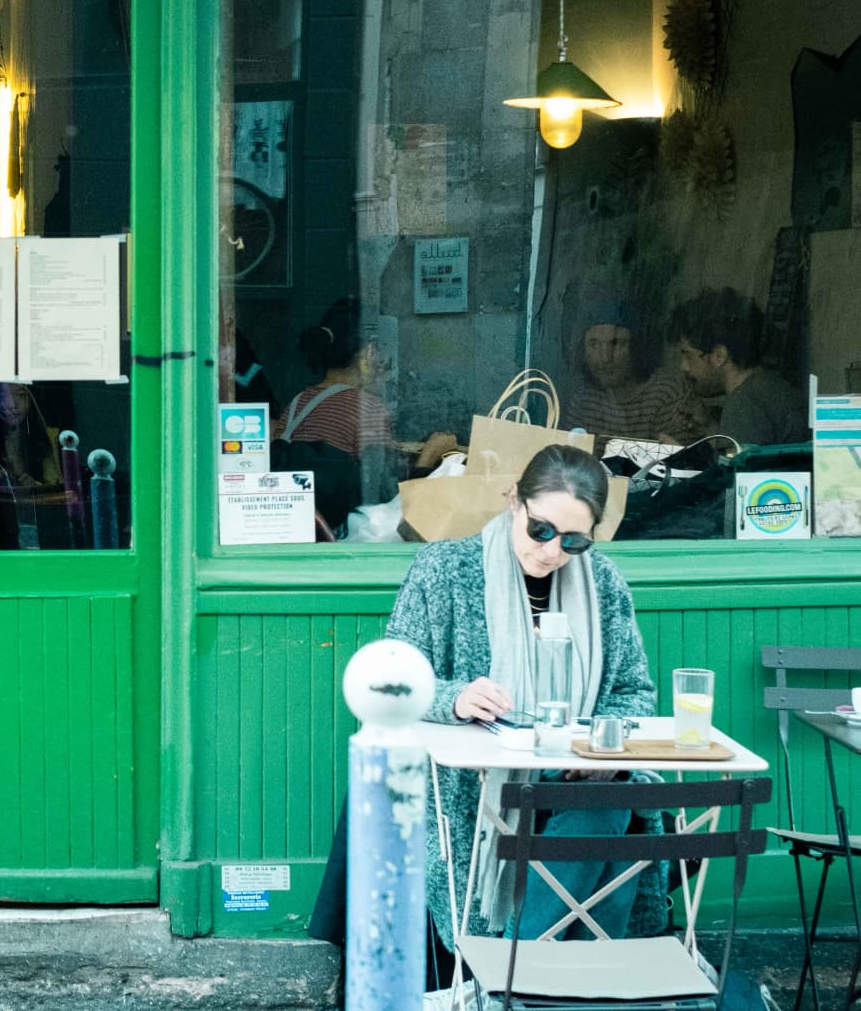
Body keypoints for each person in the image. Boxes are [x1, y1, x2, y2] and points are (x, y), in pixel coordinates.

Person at [385, 444, 664, 945]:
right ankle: (552, 977)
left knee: (611, 797)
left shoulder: (604, 582)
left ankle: (518, 968)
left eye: (574, 541)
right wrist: (455, 697)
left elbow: (633, 690)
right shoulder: (445, 569)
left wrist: (601, 746)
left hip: (574, 768)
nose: (552, 550)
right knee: (609, 815)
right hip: (481, 784)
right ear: (514, 501)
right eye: (542, 530)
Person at [276, 298, 457, 529]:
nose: (384, 363)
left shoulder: (295, 405)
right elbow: (383, 497)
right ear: (369, 353)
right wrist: (430, 456)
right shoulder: (366, 408)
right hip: (343, 535)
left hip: (297, 530)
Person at [668, 289, 806, 448]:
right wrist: (708, 428)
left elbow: (736, 472)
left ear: (719, 356)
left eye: (688, 356)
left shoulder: (743, 404)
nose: (683, 367)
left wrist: (677, 458)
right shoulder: (769, 389)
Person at [564, 299, 705, 444]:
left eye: (616, 343)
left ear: (636, 348)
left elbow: (679, 462)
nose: (605, 358)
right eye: (594, 344)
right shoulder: (583, 403)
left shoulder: (667, 393)